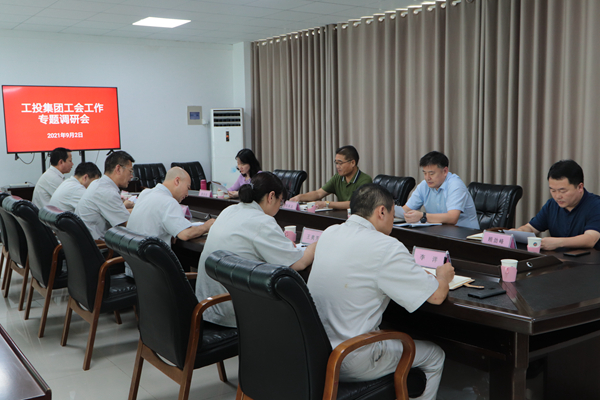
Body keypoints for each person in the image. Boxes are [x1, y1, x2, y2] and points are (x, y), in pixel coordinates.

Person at [308, 184, 454, 400]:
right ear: (382, 211)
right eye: (394, 214)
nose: (394, 221)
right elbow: (436, 296)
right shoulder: (386, 246)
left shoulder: (330, 232)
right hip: (351, 357)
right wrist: (443, 276)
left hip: (315, 353)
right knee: (434, 355)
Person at [196, 172, 316, 328]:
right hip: (232, 312)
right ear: (271, 196)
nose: (279, 207)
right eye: (280, 201)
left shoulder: (229, 210)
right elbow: (298, 263)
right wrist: (316, 245)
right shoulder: (262, 221)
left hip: (206, 307)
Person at [513, 160, 600, 250]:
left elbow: (591, 239)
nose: (557, 196)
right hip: (558, 257)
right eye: (553, 190)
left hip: (588, 258)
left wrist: (558, 243)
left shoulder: (596, 205)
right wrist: (518, 232)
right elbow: (531, 228)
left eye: (563, 191)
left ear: (580, 187)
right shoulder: (552, 205)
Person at [128, 166, 215, 245]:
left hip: (133, 254)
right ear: (177, 181)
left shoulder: (145, 193)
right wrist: (206, 226)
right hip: (152, 256)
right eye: (187, 187)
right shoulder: (169, 202)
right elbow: (185, 234)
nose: (187, 194)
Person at [397, 151, 479, 229]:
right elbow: (406, 210)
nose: (427, 178)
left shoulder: (455, 185)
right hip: (439, 231)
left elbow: (452, 218)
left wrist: (423, 216)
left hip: (465, 233)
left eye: (431, 173)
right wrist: (392, 210)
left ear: (445, 171)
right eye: (425, 173)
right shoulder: (424, 185)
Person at [75, 151, 135, 240]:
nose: (131, 176)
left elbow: (121, 212)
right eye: (130, 171)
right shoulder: (107, 191)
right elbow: (128, 224)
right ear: (118, 169)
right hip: (99, 245)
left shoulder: (98, 184)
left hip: (87, 241)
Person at [289, 145, 372, 210]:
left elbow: (355, 204)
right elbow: (318, 193)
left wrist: (327, 204)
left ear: (352, 163)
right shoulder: (338, 178)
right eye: (336, 163)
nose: (337, 166)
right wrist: (299, 197)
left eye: (340, 163)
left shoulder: (365, 180)